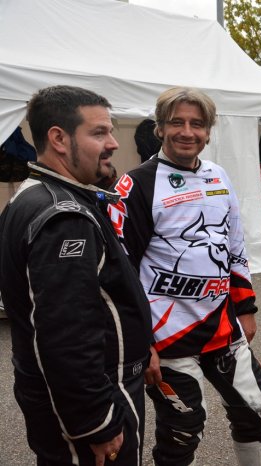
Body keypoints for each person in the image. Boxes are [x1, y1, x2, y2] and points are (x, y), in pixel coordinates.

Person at [107, 87, 261, 466]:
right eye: (177, 123)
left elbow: (235, 246)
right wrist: (140, 343)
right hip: (167, 336)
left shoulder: (219, 176)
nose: (187, 132)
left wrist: (246, 308)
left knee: (259, 411)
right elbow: (120, 272)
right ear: (160, 127)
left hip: (222, 328)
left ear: (208, 131)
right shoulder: (135, 184)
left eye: (197, 124)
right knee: (183, 429)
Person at [0, 85, 152, 465]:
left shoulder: (35, 194)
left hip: (72, 395)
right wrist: (94, 423)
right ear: (59, 139)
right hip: (94, 399)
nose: (113, 143)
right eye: (99, 132)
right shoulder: (63, 217)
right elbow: (65, 334)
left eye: (111, 131)